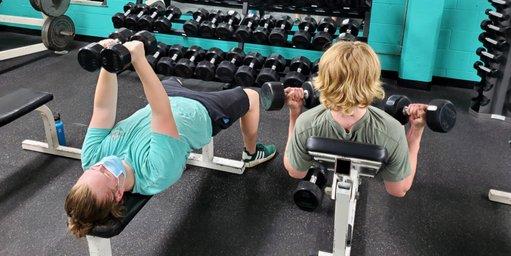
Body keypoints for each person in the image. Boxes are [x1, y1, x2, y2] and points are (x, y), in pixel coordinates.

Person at [65, 39, 276, 237]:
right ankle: (251, 153)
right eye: (105, 173)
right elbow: (161, 112)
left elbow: (103, 109)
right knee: (252, 96)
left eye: (92, 170)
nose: (101, 165)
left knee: (172, 77)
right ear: (118, 194)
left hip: (166, 97)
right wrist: (138, 59)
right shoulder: (155, 172)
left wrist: (107, 60)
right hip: (202, 110)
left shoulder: (91, 157)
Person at [283, 41, 426, 198]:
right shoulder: (393, 129)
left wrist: (294, 114)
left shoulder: (306, 123)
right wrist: (415, 132)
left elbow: (295, 171)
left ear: (324, 78)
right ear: (372, 81)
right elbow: (399, 190)